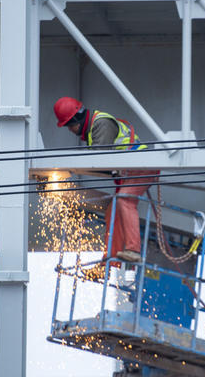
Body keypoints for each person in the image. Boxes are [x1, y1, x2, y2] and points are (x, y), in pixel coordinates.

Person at [54, 97, 157, 270]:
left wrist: (70, 168)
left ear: (77, 119)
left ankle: (133, 250)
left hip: (141, 166)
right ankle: (111, 261)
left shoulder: (101, 124)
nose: (70, 130)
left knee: (125, 200)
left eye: (69, 125)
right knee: (113, 211)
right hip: (131, 170)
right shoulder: (93, 128)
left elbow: (98, 161)